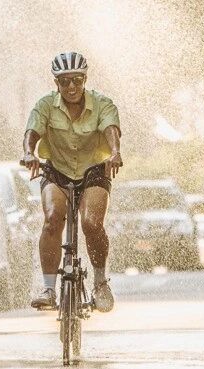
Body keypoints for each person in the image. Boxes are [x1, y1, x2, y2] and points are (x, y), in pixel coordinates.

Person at [21, 52, 123, 313]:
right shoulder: (45, 105)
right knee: (53, 217)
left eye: (77, 80)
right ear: (56, 83)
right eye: (64, 82)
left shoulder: (102, 103)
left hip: (93, 171)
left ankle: (100, 282)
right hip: (56, 169)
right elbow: (32, 132)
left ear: (85, 79)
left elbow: (111, 129)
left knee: (91, 223)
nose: (71, 87)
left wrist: (114, 153)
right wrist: (29, 153)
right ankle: (48, 288)